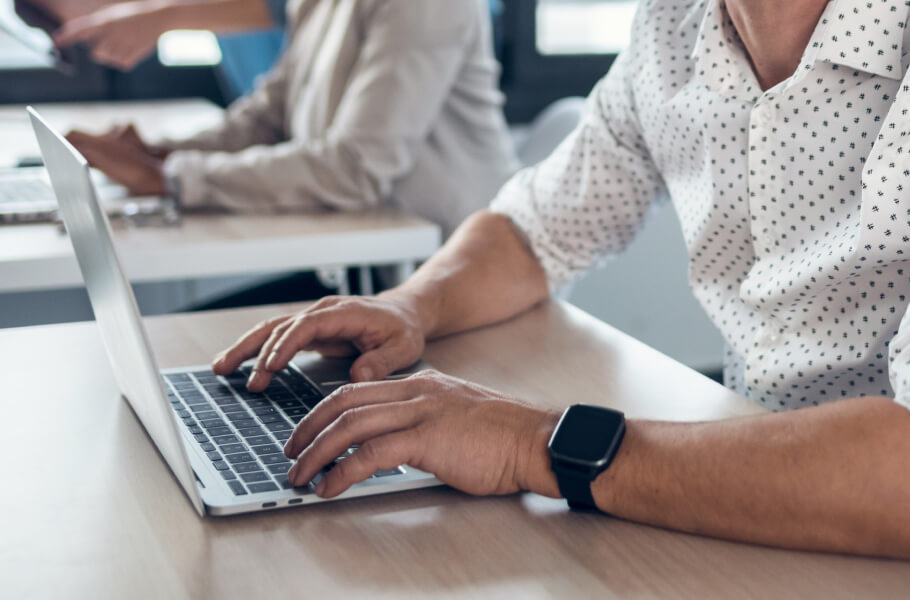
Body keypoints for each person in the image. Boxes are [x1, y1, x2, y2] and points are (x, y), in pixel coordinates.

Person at [212, 0, 910, 558]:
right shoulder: (674, 24)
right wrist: (411, 304)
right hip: (740, 476)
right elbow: (537, 226)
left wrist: (534, 443)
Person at [59, 0, 518, 237]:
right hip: (360, 257)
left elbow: (355, 168)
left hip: (439, 268)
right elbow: (268, 117)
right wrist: (165, 153)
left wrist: (172, 179)